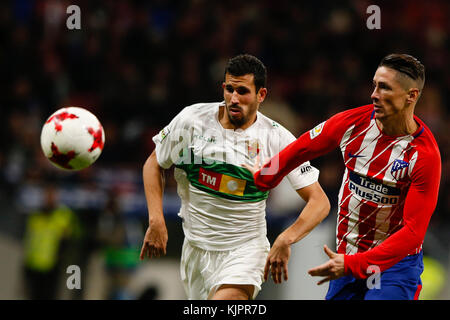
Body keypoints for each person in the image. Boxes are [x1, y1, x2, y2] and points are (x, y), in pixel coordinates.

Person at [244, 53, 441, 300]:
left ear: (411, 96)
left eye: (384, 88)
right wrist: (263, 178)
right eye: (374, 85)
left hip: (394, 268)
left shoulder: (424, 155)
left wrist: (354, 263)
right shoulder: (354, 124)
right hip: (346, 258)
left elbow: (413, 232)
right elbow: (301, 148)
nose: (374, 94)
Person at [139, 54, 330, 300]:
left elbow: (319, 202)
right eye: (229, 89)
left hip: (245, 251)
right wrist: (156, 220)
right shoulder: (192, 121)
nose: (234, 99)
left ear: (261, 95)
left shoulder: (277, 139)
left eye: (243, 91)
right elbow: (154, 163)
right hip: (196, 250)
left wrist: (285, 238)